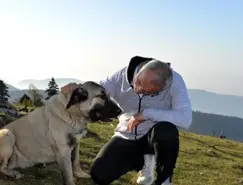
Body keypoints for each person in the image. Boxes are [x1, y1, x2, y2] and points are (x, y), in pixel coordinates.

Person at [62, 56, 192, 185]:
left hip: (152, 137)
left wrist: (146, 114)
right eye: (139, 82)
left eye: (148, 93)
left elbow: (185, 119)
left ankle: (164, 181)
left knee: (166, 131)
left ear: (163, 87)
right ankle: (144, 162)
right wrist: (78, 88)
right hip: (126, 135)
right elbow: (97, 90)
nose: (138, 90)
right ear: (139, 70)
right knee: (99, 175)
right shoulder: (121, 76)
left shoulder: (175, 81)